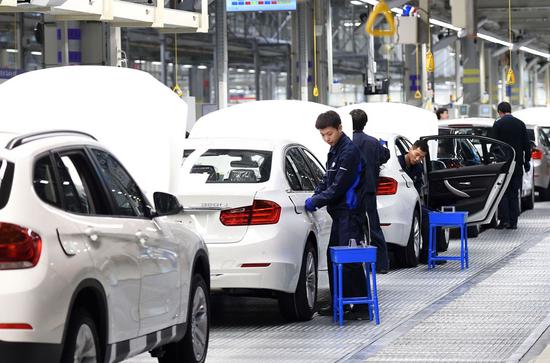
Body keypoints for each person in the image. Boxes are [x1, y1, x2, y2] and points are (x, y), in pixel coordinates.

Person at [304, 110, 368, 318]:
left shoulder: (349, 151)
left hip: (350, 213)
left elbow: (339, 186)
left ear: (340, 128)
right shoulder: (335, 150)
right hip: (340, 215)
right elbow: (327, 179)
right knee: (334, 259)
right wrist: (317, 192)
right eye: (323, 135)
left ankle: (360, 308)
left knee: (349, 261)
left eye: (329, 134)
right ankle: (339, 303)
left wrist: (317, 200)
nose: (326, 138)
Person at [349, 109, 391, 274]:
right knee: (374, 227)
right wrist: (383, 145)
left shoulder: (346, 141)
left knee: (353, 228)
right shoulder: (373, 142)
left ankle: (356, 264)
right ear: (365, 123)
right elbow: (385, 156)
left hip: (350, 193)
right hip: (368, 191)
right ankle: (381, 264)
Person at [398, 139, 446, 264]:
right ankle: (429, 255)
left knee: (434, 215)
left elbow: (417, 190)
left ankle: (430, 254)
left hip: (413, 203)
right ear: (410, 149)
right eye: (417, 155)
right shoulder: (397, 164)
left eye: (421, 157)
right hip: (398, 203)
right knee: (427, 216)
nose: (418, 159)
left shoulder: (418, 168)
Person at [491, 101, 531, 230]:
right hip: (517, 164)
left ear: (500, 112)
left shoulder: (498, 124)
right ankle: (514, 222)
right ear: (510, 110)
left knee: (503, 193)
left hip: (503, 165)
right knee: (514, 193)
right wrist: (526, 162)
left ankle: (504, 221)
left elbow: (493, 145)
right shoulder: (520, 124)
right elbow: (526, 145)